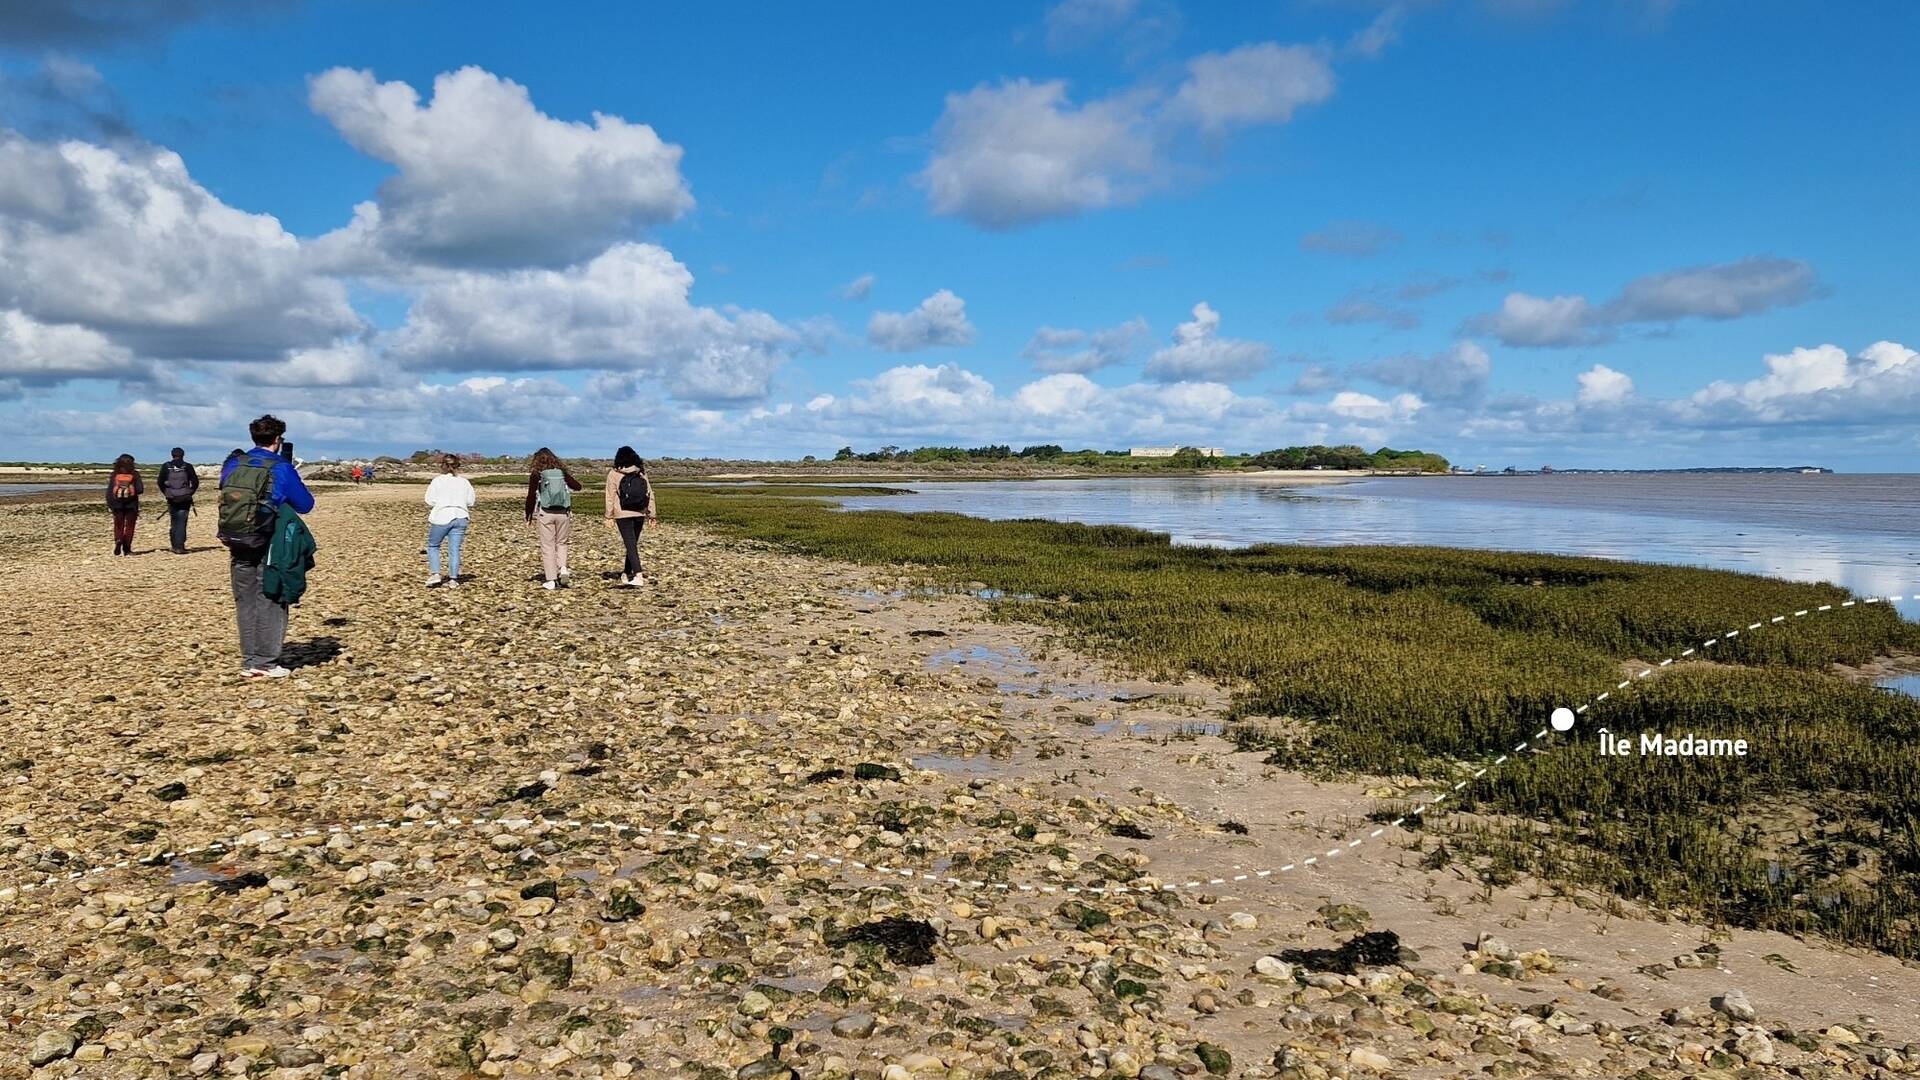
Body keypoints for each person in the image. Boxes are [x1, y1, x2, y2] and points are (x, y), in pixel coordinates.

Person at [218, 415, 315, 679]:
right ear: (277, 439)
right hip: (268, 537)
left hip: (236, 536)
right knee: (271, 595)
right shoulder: (281, 467)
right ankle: (265, 662)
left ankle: (249, 660)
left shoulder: (234, 463)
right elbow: (305, 504)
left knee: (245, 598)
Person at [523, 447, 581, 590]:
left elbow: (531, 496)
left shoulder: (537, 474)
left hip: (546, 513)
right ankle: (562, 568)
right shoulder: (561, 472)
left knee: (547, 546)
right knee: (562, 543)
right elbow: (578, 486)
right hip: (563, 513)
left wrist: (528, 515)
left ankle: (551, 579)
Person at [603, 446, 657, 587]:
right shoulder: (641, 473)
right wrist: (652, 514)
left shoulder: (613, 473)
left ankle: (638, 575)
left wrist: (609, 516)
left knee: (630, 544)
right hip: (639, 512)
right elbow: (650, 494)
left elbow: (610, 496)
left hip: (622, 514)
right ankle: (627, 573)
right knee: (632, 544)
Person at [423, 454, 476, 588]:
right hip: (461, 516)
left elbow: (429, 500)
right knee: (454, 549)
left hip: (443, 515)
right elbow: (470, 501)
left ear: (443, 465)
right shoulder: (464, 482)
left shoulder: (438, 480)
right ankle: (453, 579)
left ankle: (436, 574)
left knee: (434, 546)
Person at [156, 447, 200, 554]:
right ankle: (180, 546)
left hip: (172, 498)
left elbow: (160, 481)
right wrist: (190, 492)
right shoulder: (187, 466)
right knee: (182, 522)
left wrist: (166, 493)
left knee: (174, 521)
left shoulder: (166, 466)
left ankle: (174, 545)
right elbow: (195, 482)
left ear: (172, 455)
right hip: (185, 498)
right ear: (183, 455)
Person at [104, 453, 144, 556]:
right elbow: (140, 490)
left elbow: (109, 491)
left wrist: (109, 503)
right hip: (131, 504)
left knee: (118, 525)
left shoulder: (114, 474)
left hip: (116, 503)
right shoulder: (135, 474)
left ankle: (118, 540)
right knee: (130, 526)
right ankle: (127, 549)